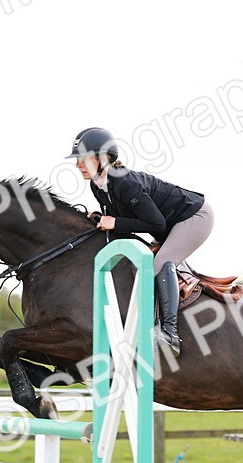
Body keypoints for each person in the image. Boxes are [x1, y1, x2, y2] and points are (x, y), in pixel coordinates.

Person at [67, 127, 213, 356]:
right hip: (170, 224)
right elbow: (123, 220)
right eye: (77, 160)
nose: (78, 165)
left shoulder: (125, 182)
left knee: (161, 262)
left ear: (103, 158)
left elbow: (156, 225)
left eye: (83, 159)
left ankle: (170, 333)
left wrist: (114, 222)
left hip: (194, 216)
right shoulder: (97, 186)